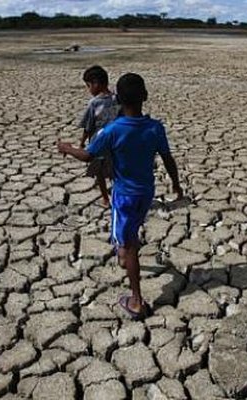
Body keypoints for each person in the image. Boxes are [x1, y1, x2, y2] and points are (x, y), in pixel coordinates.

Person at [58, 72, 183, 320]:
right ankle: (126, 251)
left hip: (123, 197)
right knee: (129, 236)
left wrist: (67, 148)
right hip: (146, 193)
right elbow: (168, 160)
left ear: (118, 99)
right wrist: (177, 186)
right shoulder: (155, 128)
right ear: (145, 96)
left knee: (128, 247)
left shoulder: (112, 130)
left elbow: (87, 156)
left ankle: (136, 301)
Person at [78, 65, 120, 207]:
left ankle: (105, 198)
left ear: (96, 83)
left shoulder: (94, 103)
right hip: (117, 142)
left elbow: (88, 126)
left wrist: (82, 142)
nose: (88, 90)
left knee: (99, 172)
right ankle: (116, 194)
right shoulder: (117, 98)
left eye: (88, 85)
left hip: (98, 143)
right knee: (116, 170)